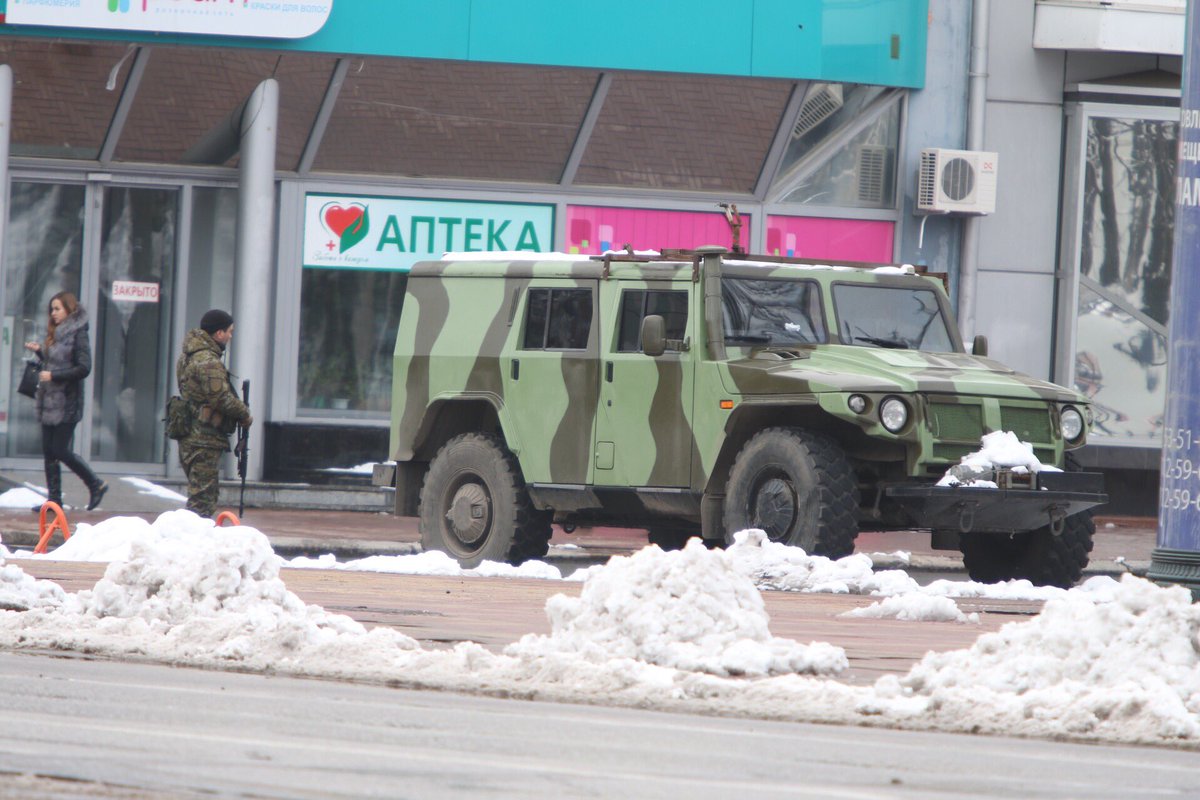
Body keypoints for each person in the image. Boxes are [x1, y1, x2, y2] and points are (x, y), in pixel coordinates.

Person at [23, 291, 108, 512]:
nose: (54, 313)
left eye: (58, 308)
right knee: (49, 451)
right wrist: (41, 352)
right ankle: (54, 500)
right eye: (52, 309)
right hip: (48, 401)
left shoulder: (78, 333)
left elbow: (83, 368)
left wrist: (54, 376)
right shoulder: (57, 333)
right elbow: (57, 362)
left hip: (67, 402)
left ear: (69, 310)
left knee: (60, 449)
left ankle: (95, 483)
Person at [176, 309, 252, 517]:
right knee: (202, 502)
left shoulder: (188, 356)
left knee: (200, 495)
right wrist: (244, 413)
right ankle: (194, 543)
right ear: (219, 333)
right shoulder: (207, 361)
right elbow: (220, 398)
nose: (230, 336)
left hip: (191, 433)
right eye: (229, 331)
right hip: (203, 438)